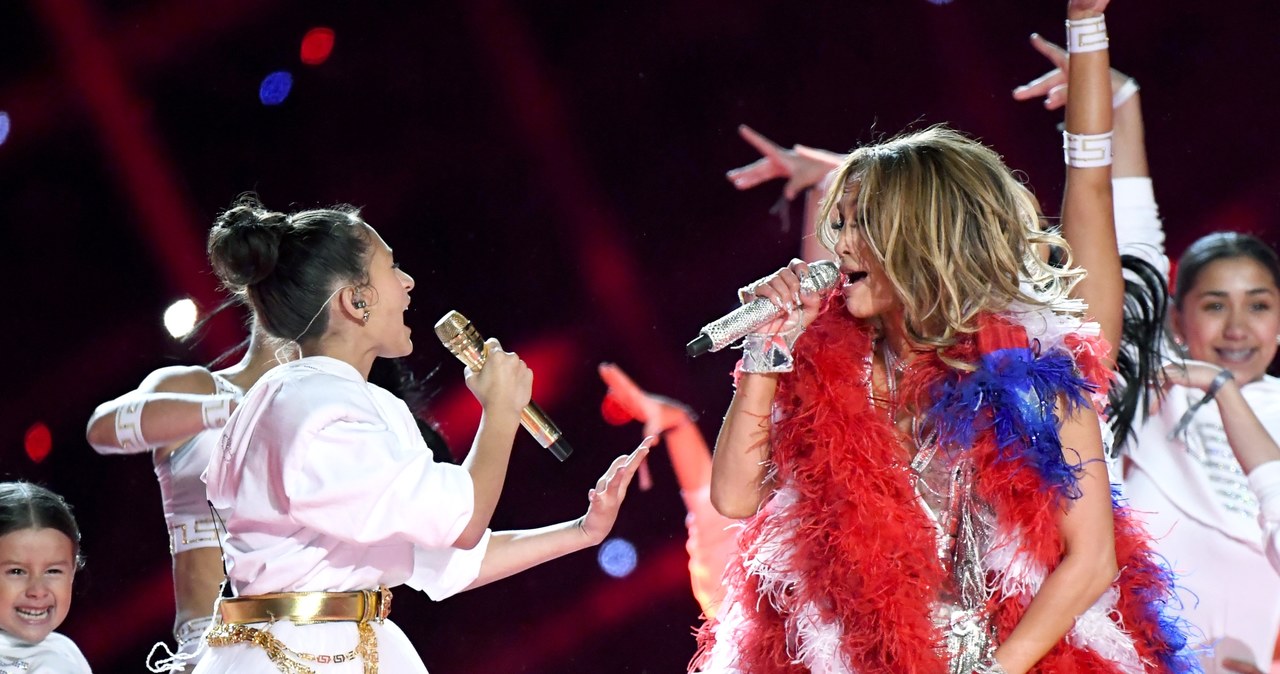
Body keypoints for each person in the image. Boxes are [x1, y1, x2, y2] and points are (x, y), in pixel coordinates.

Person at [194, 195, 650, 673]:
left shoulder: (331, 400)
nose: (409, 283)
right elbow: (463, 520)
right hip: (300, 657)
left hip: (335, 646)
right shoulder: (317, 412)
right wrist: (499, 410)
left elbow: (448, 555)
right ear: (357, 299)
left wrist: (583, 530)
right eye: (393, 268)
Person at [1013, 32, 1280, 674]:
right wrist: (1120, 103)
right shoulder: (1155, 385)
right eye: (1215, 303)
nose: (1238, 324)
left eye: (1260, 304)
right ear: (1177, 315)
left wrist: (1221, 390)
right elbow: (1128, 234)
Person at [86, 318, 280, 666]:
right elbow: (102, 429)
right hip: (214, 652)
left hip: (326, 646)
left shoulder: (339, 412)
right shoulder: (199, 388)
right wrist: (230, 410)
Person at [597, 363, 738, 618]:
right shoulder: (729, 599)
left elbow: (712, 511)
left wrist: (676, 423)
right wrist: (675, 423)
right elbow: (714, 512)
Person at [0, 482, 92, 673]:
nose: (37, 591)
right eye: (16, 571)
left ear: (73, 571)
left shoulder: (65, 651)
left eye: (53, 571)